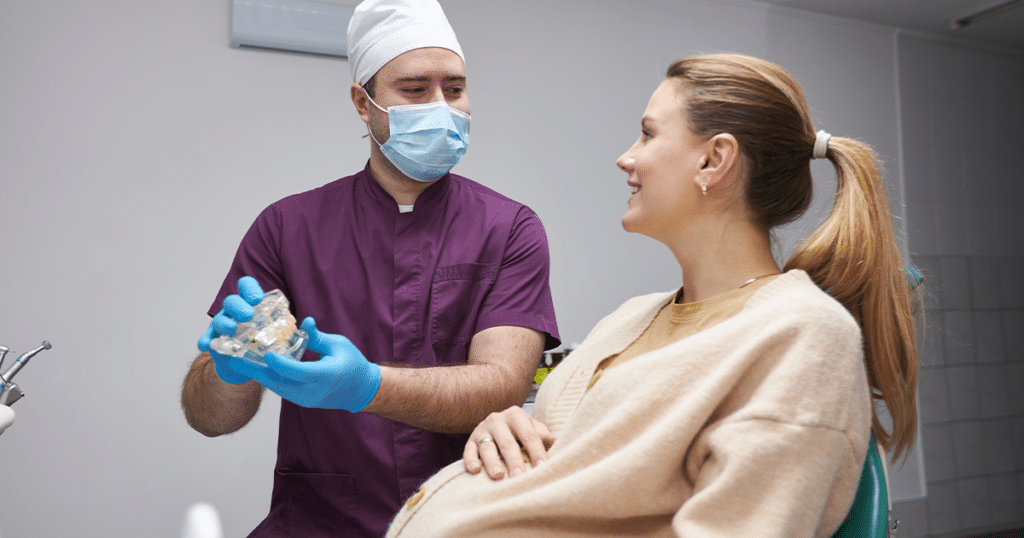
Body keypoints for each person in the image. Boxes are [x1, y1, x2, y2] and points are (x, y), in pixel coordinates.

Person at [383, 53, 919, 538]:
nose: (626, 158)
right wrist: (504, 429)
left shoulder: (803, 335)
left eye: (646, 134)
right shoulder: (630, 318)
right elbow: (578, 474)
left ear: (714, 161)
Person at [179, 1, 560, 536]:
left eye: (454, 89)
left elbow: (501, 387)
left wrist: (367, 387)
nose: (440, 106)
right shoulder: (288, 227)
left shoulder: (509, 227)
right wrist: (228, 369)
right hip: (317, 521)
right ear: (363, 103)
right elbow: (210, 419)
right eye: (414, 90)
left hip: (462, 518)